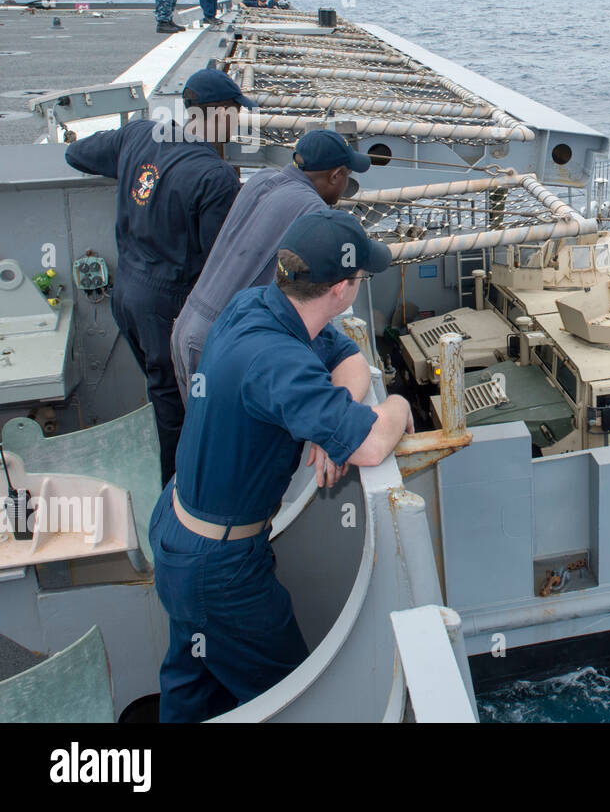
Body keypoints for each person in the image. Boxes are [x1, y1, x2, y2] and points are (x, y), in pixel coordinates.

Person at [148, 210, 411, 722]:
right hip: (219, 569)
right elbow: (376, 445)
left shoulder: (261, 306)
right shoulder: (277, 358)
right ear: (341, 289)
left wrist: (331, 426)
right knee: (294, 697)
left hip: (182, 529)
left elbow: (350, 361)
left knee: (195, 689)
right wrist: (395, 405)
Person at [64, 69, 252, 485]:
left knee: (159, 389)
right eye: (237, 113)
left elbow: (75, 155)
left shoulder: (140, 135)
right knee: (176, 409)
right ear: (220, 114)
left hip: (126, 296)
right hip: (167, 308)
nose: (239, 122)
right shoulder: (216, 177)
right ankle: (181, 493)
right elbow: (220, 265)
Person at [171, 128, 373, 396]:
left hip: (188, 324)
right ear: (335, 175)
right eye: (346, 176)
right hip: (218, 341)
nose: (345, 185)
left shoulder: (262, 180)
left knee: (200, 423)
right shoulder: (313, 211)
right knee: (220, 433)